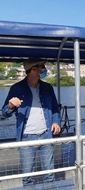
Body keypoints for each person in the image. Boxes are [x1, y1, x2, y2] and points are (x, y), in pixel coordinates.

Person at [1, 58, 61, 186]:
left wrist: (56, 122)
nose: (41, 70)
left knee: (49, 175)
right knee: (28, 177)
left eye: (42, 67)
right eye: (38, 68)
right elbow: (5, 112)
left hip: (46, 135)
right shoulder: (16, 88)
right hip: (26, 138)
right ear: (30, 70)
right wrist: (11, 105)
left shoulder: (47, 87)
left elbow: (55, 108)